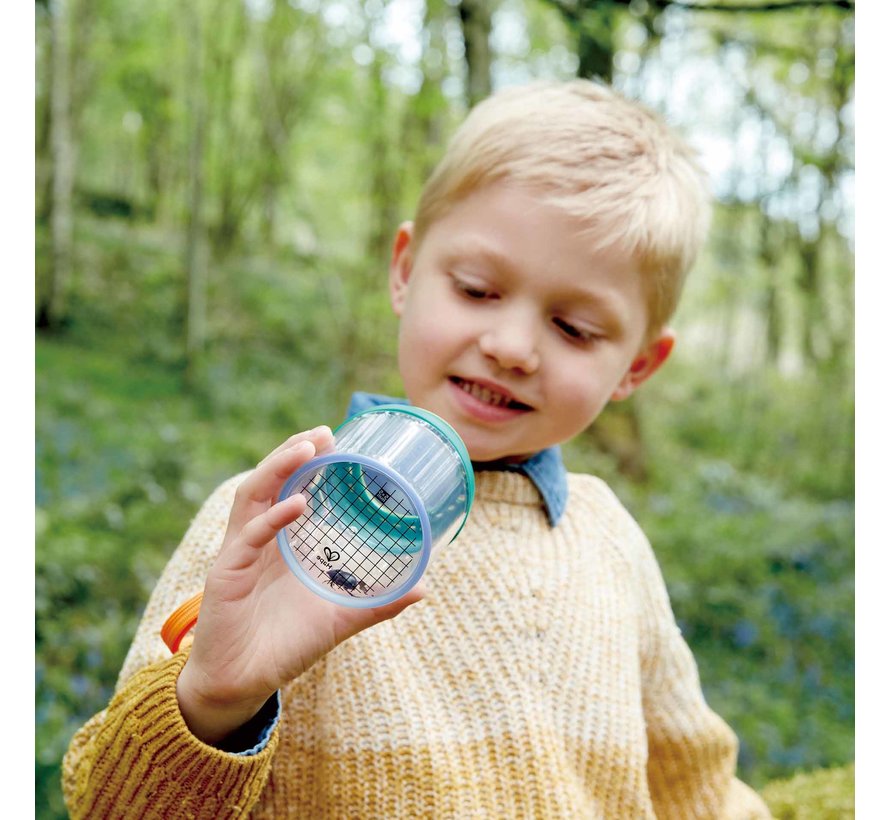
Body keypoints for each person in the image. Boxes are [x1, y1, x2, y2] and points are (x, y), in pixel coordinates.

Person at [62, 80, 771, 818]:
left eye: (574, 329)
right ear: (405, 271)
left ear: (636, 366)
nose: (511, 347)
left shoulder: (610, 544)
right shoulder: (274, 522)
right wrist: (213, 698)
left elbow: (698, 787)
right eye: (476, 290)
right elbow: (111, 805)